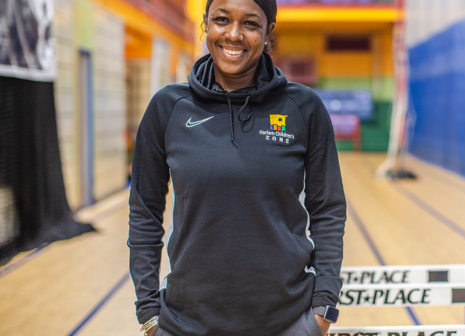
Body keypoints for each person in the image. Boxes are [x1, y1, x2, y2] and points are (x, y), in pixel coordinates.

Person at [128, 0, 346, 335]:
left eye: (250, 24)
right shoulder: (168, 107)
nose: (233, 34)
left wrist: (322, 308)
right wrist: (149, 313)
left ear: (268, 33)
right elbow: (144, 211)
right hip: (185, 323)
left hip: (287, 323)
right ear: (205, 25)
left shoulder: (303, 108)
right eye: (221, 20)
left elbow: (328, 208)